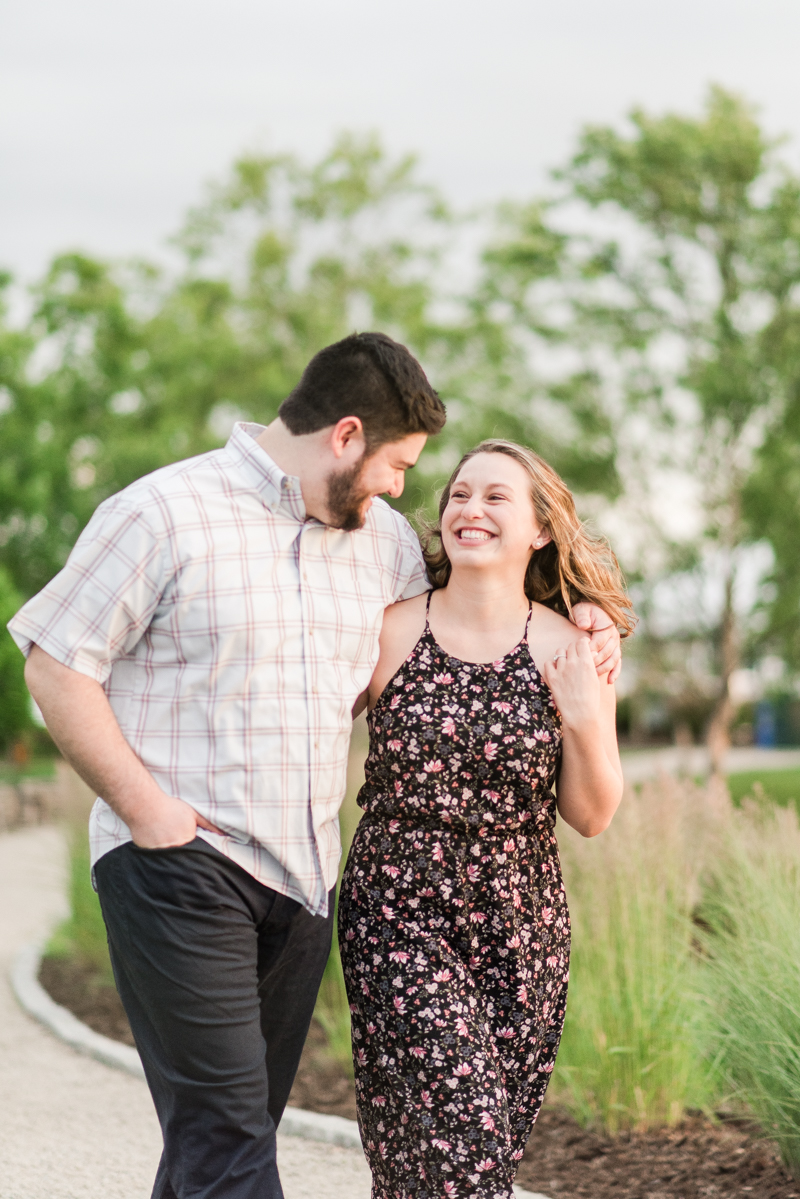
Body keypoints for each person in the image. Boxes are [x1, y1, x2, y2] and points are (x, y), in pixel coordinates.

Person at [8, 332, 621, 1199]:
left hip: (301, 882)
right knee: (228, 1141)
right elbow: (54, 660)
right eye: (401, 467)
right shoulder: (162, 512)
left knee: (222, 1133)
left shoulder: (383, 547)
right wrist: (149, 812)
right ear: (345, 436)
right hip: (180, 867)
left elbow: (471, 612)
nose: (405, 491)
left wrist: (588, 617)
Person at [339, 439, 634, 1199]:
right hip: (396, 916)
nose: (469, 509)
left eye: (496, 497)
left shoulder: (575, 649)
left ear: (541, 528)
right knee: (466, 1146)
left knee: (435, 1162)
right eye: (460, 493)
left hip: (520, 931)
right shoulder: (389, 630)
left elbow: (592, 814)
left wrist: (582, 720)